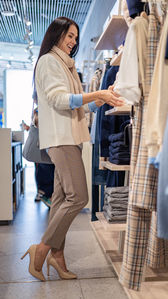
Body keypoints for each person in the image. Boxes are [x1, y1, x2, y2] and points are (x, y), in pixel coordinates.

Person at [21, 17, 123, 281]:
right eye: (69, 36)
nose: (73, 42)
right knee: (78, 197)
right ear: (56, 35)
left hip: (70, 136)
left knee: (60, 199)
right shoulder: (48, 62)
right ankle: (41, 249)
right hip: (61, 138)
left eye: (75, 38)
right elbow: (58, 99)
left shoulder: (66, 65)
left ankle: (58, 256)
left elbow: (77, 107)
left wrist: (99, 98)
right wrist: (96, 94)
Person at [22, 108, 54, 208]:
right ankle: (45, 194)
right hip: (43, 150)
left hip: (44, 150)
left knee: (46, 171)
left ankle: (45, 193)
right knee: (45, 170)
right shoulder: (40, 110)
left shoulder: (40, 110)